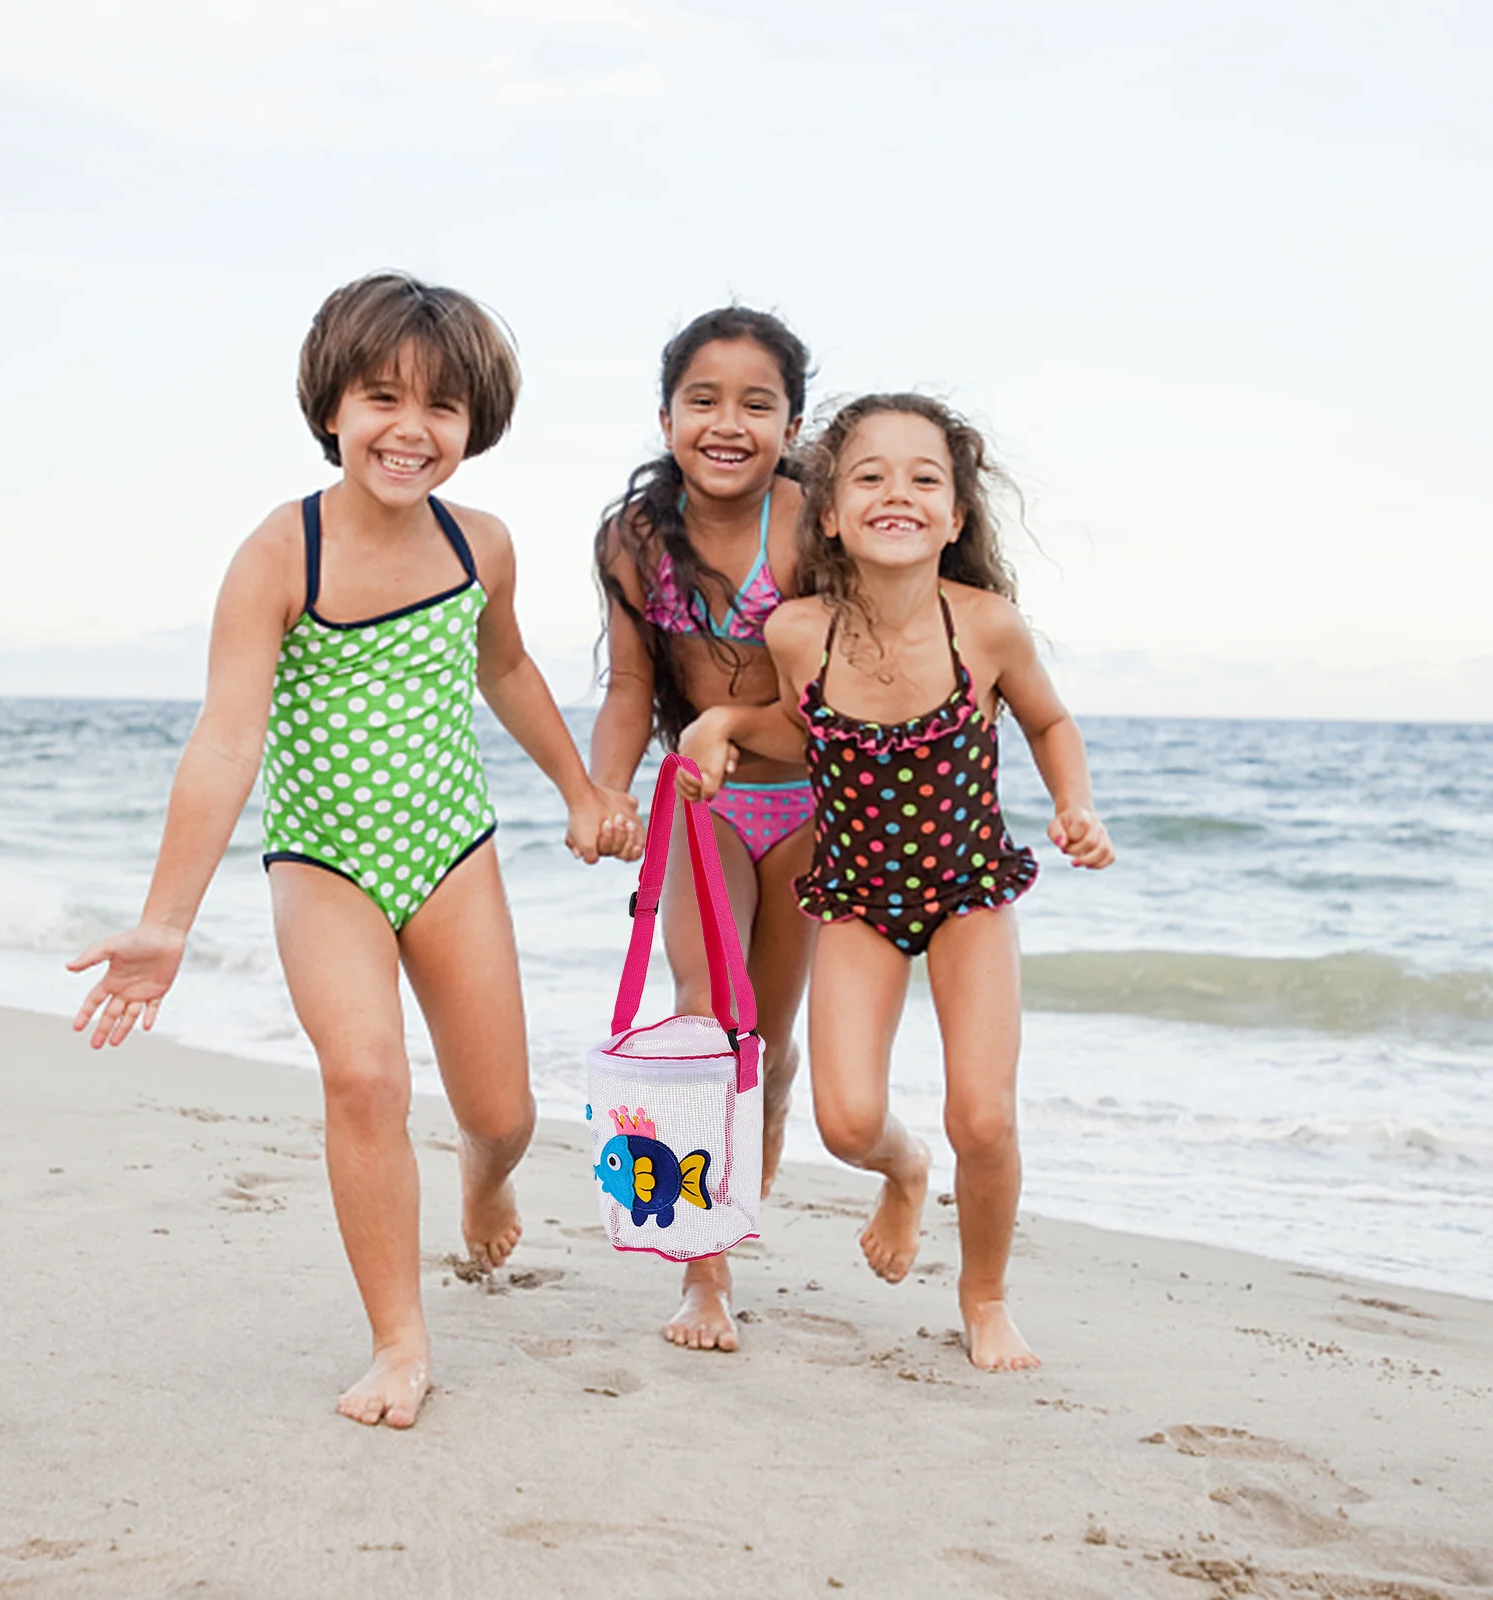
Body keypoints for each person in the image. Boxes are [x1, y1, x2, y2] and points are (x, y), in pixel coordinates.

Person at [67, 272, 642, 1428]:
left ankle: (486, 1180)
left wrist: (581, 787)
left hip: (451, 852)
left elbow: (507, 671)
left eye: (442, 408)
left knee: (505, 1109)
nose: (411, 429)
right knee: (367, 1077)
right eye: (383, 396)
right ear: (331, 404)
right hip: (324, 861)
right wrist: (168, 921)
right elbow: (228, 737)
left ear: (474, 426)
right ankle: (398, 1342)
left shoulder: (481, 544)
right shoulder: (282, 552)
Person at [677, 393, 1114, 1371]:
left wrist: (1075, 802)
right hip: (857, 900)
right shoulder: (799, 634)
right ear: (827, 512)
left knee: (986, 1117)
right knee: (844, 1122)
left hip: (968, 894)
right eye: (869, 475)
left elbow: (1046, 721)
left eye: (924, 478)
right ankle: (905, 1171)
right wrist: (716, 729)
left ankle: (985, 1293)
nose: (897, 494)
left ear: (955, 517)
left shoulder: (987, 629)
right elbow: (795, 730)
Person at [590, 307, 815, 1353]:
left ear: (791, 421)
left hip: (817, 802)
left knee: (764, 1043)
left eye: (755, 404)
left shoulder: (811, 522)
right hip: (702, 801)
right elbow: (632, 685)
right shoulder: (635, 540)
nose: (728, 424)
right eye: (704, 400)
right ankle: (703, 1277)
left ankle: (755, 1149)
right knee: (704, 1022)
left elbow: (852, 681)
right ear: (668, 413)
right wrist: (604, 791)